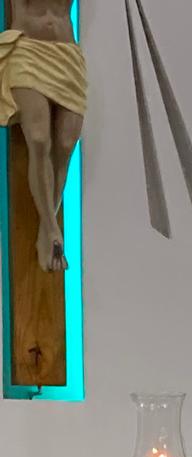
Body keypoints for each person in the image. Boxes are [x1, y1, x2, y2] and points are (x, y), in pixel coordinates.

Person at [0, 0, 86, 271]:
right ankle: (51, 228)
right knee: (38, 139)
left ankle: (47, 227)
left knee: (66, 143)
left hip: (67, 53)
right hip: (28, 51)